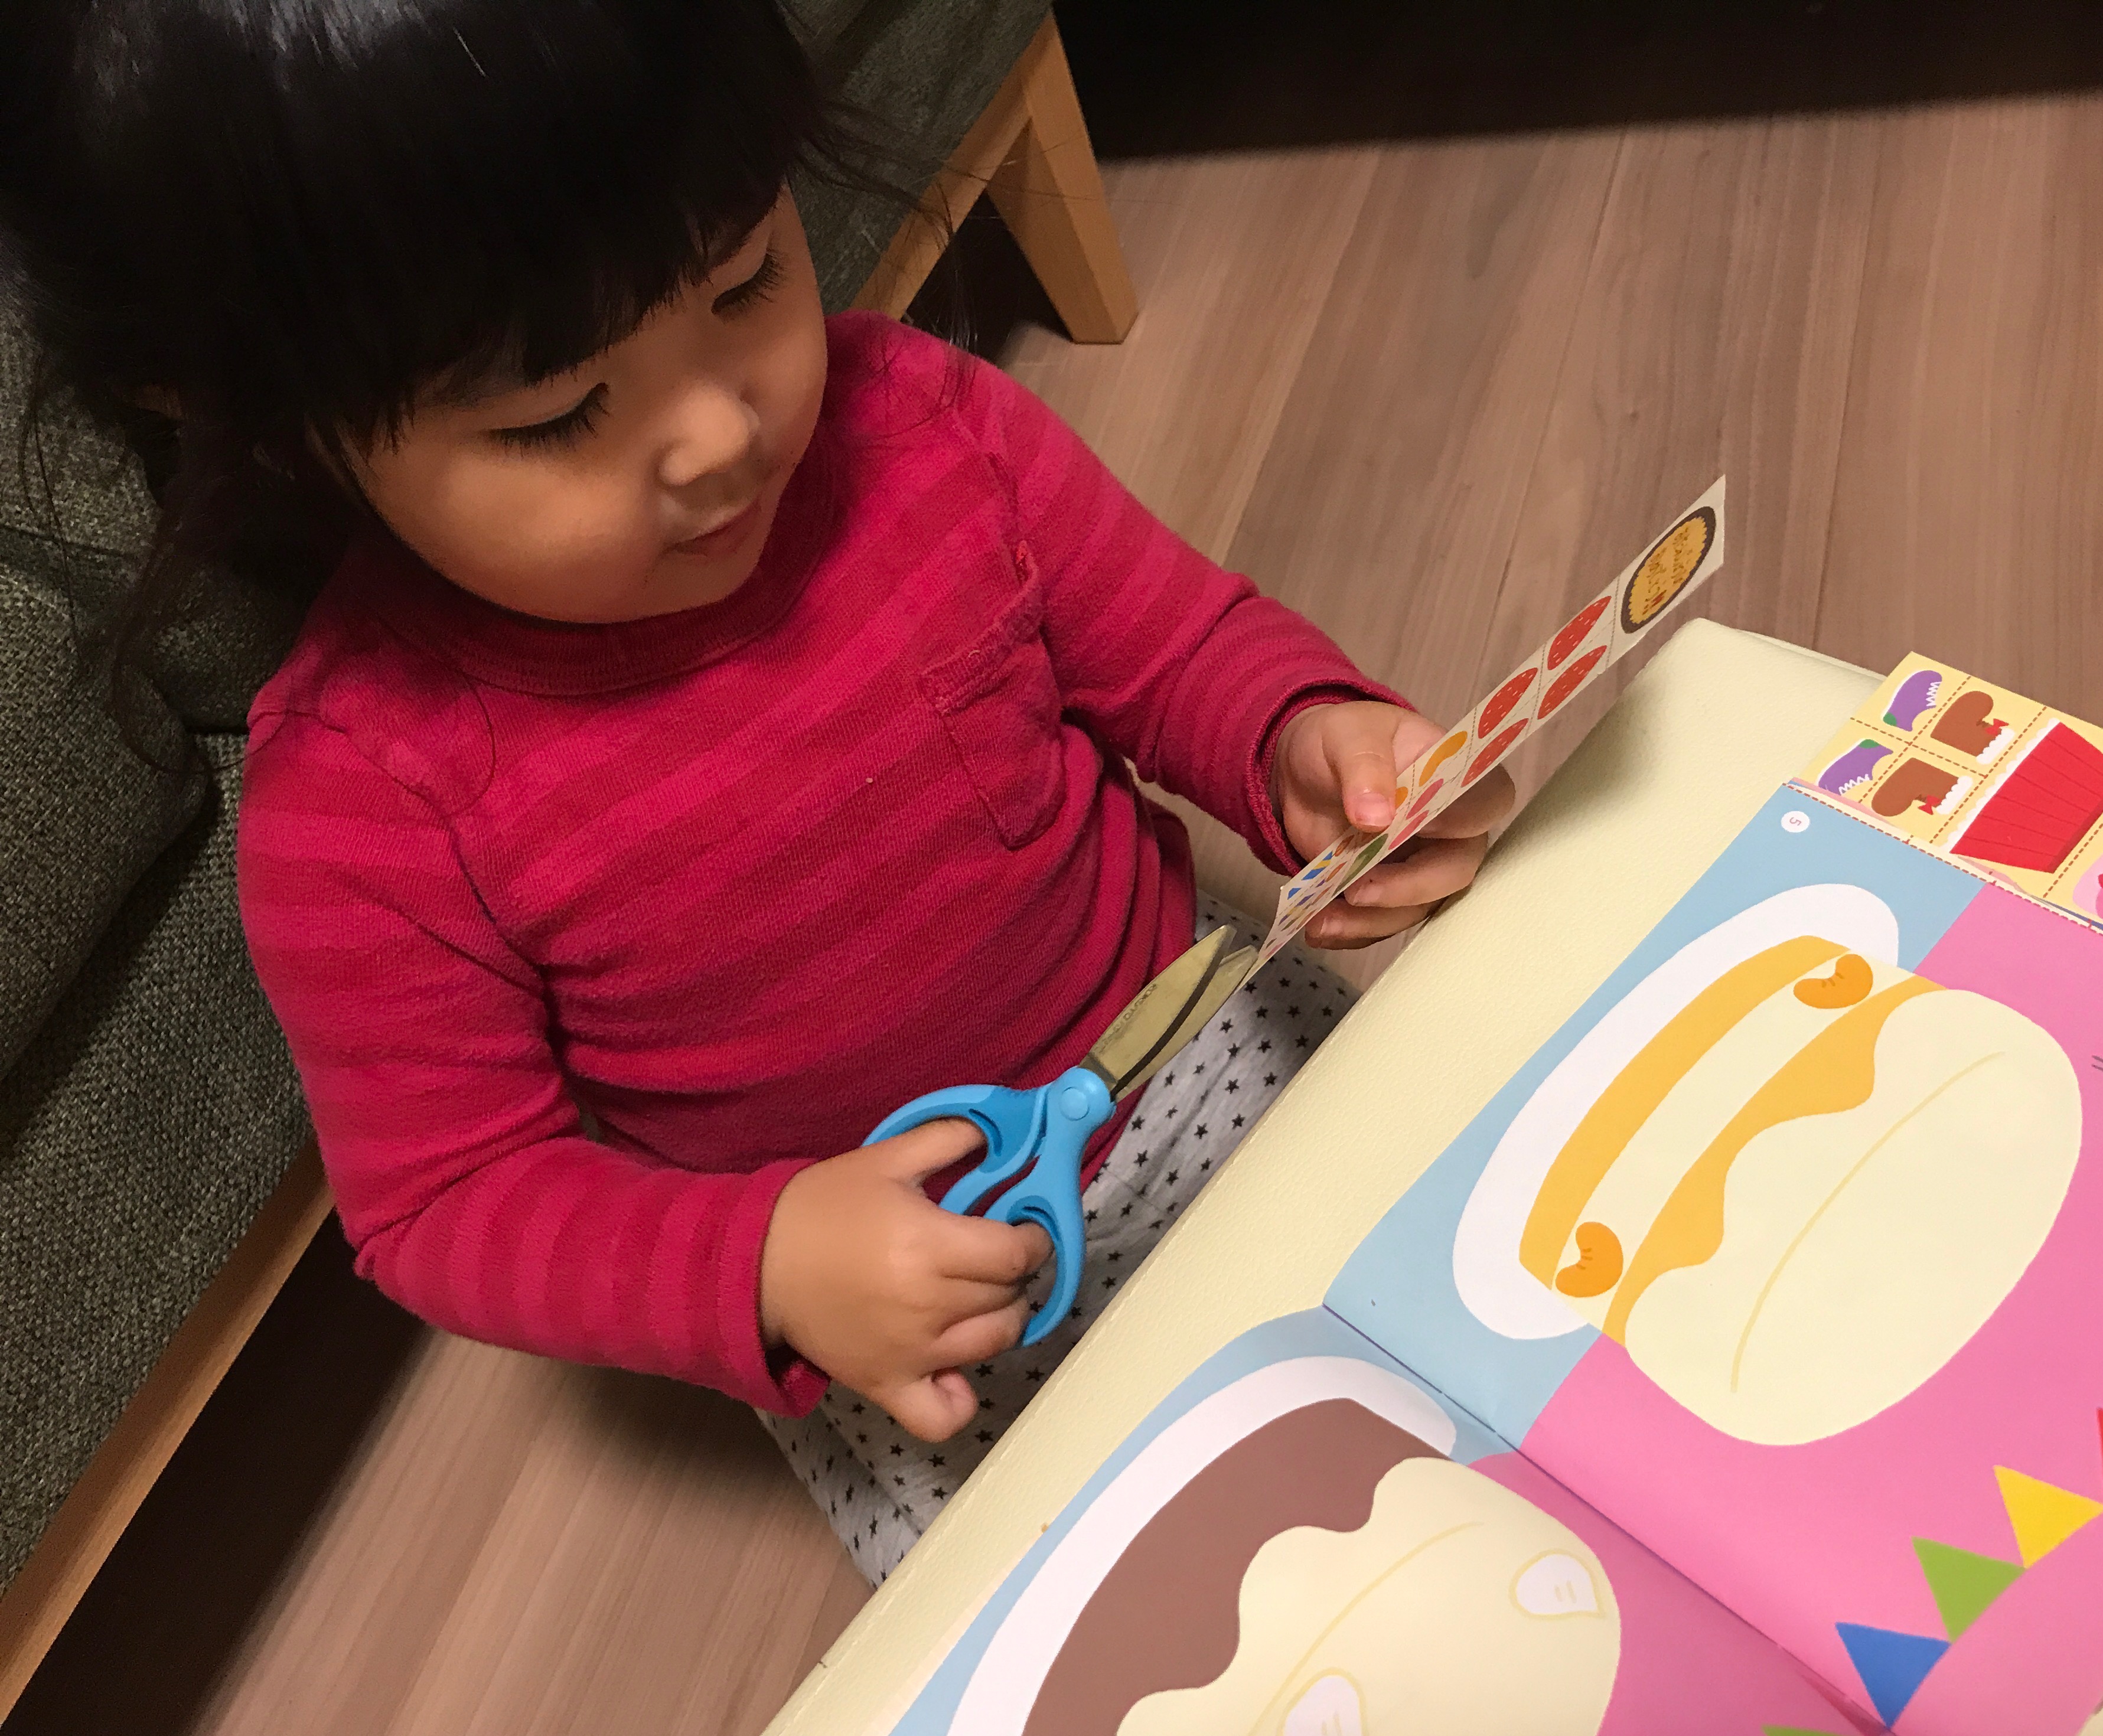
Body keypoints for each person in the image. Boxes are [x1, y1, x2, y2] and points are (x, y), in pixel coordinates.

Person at [0, 0, 1512, 1580]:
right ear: (273, 430)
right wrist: (769, 1263)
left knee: (1534, 1340)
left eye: (744, 282)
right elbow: (447, 1201)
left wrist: (1299, 739)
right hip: (907, 1304)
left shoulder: (923, 424)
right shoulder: (367, 805)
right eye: (557, 415)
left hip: (1213, 1043)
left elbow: (1176, 649)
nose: (722, 435)